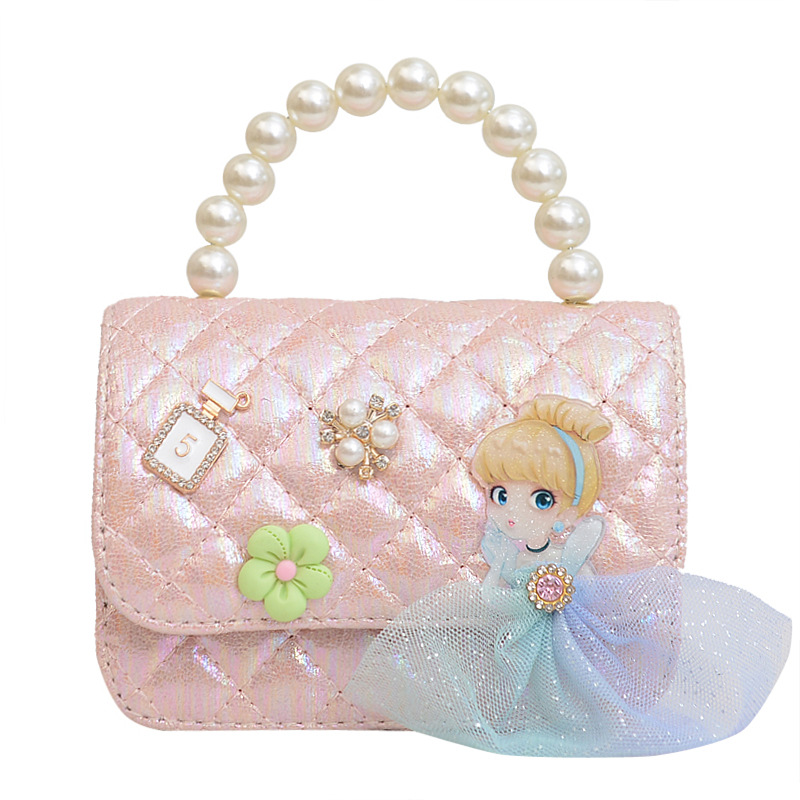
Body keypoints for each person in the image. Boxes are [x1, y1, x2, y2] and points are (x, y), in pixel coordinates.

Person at [345, 395, 792, 756]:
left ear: (571, 506)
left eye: (542, 499)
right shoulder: (504, 552)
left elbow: (587, 583)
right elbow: (496, 590)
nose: (511, 513)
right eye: (499, 494)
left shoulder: (574, 548)